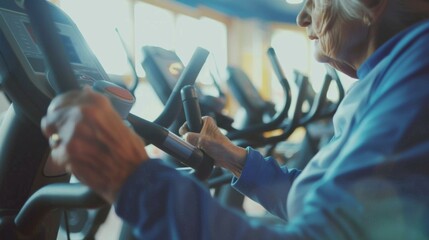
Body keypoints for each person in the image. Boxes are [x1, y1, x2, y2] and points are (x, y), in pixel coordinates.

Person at [41, 0, 429, 239]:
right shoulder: (390, 73)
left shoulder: (418, 70)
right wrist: (234, 158)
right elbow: (334, 206)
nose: (302, 16)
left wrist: (131, 178)